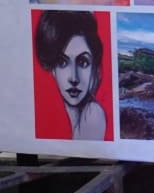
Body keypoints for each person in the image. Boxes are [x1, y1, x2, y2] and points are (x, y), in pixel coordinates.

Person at [33, 10, 108, 141]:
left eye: (83, 62)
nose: (74, 78)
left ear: (94, 66)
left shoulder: (92, 114)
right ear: (53, 68)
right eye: (62, 62)